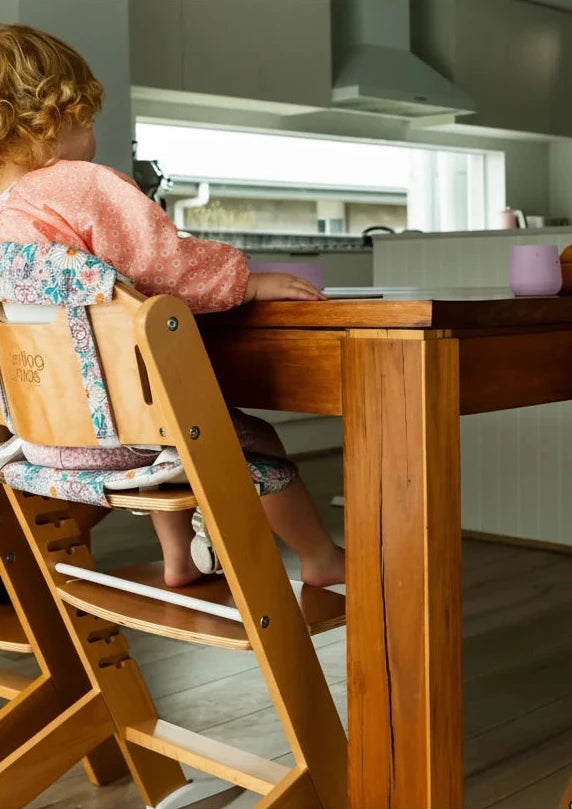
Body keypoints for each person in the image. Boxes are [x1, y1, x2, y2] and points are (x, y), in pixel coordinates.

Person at [0, 24, 344, 588]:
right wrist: (248, 281)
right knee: (246, 437)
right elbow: (165, 264)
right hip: (129, 436)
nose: (91, 137)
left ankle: (180, 562)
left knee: (164, 414)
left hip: (47, 438)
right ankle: (320, 557)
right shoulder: (75, 185)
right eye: (86, 121)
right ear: (49, 118)